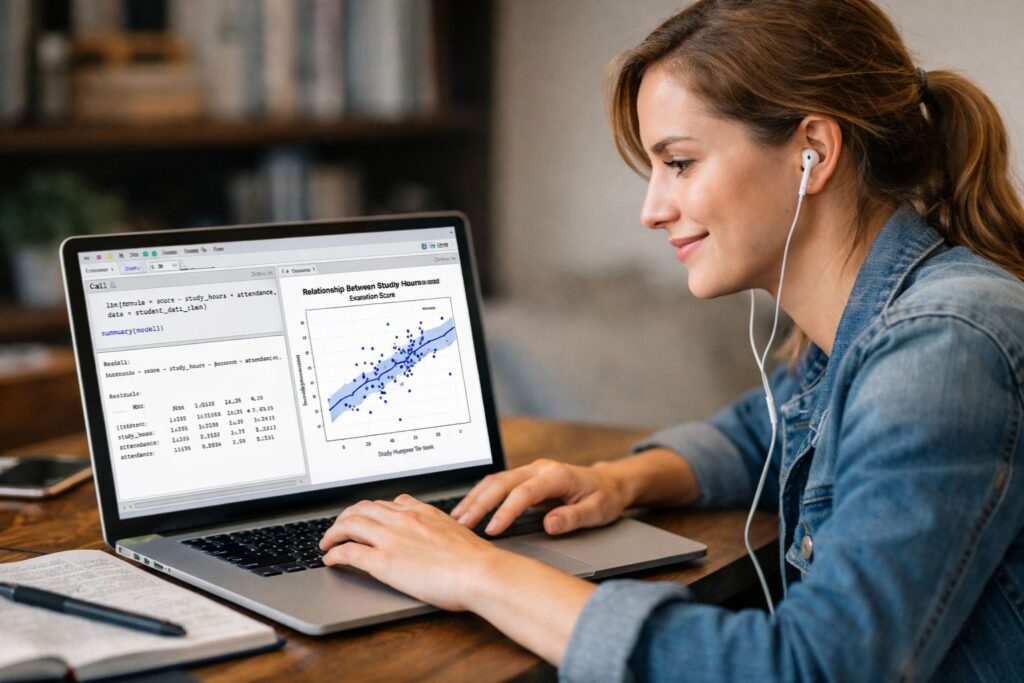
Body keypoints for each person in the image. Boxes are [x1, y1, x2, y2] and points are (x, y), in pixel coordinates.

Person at [319, 0, 1024, 680]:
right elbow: (764, 432)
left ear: (813, 150)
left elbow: (810, 667)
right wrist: (615, 480)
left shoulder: (941, 346)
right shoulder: (865, 326)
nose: (652, 210)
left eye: (679, 163)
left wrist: (474, 571)